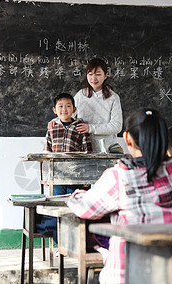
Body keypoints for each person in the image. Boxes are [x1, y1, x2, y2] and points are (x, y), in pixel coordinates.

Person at [67, 108, 172, 284]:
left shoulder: (120, 176)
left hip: (128, 272)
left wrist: (77, 195)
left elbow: (85, 209)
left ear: (127, 138)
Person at [36, 93, 92, 243]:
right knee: (58, 208)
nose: (64, 109)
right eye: (60, 106)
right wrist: (48, 176)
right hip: (57, 177)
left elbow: (88, 153)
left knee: (75, 208)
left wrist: (87, 177)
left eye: (68, 106)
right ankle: (60, 242)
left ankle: (75, 243)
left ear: (74, 109)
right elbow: (47, 153)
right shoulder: (52, 129)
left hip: (76, 177)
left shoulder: (80, 128)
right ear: (55, 110)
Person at [48, 58, 123, 152]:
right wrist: (55, 121)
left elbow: (116, 126)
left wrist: (90, 128)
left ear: (105, 76)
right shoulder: (81, 95)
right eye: (90, 74)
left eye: (98, 74)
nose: (94, 78)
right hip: (82, 148)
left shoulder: (113, 98)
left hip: (106, 149)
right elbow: (69, 113)